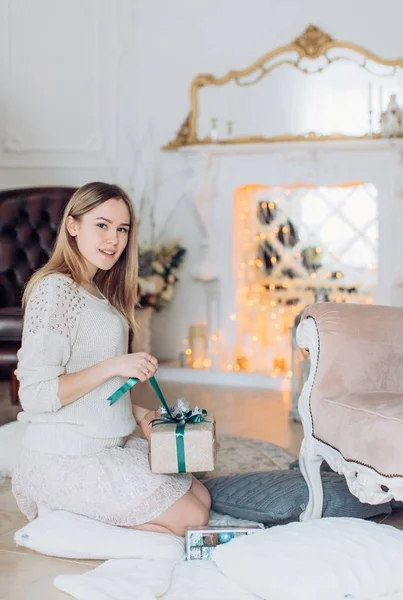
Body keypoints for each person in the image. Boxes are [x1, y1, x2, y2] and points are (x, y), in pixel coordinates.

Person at [12, 182, 211, 536]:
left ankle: (82, 515)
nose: (114, 240)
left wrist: (139, 416)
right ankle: (61, 521)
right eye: (101, 225)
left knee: (202, 500)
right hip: (65, 457)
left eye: (122, 229)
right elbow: (37, 395)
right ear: (73, 226)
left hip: (105, 446)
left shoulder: (98, 293)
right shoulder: (54, 290)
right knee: (192, 520)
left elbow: (98, 391)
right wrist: (116, 365)